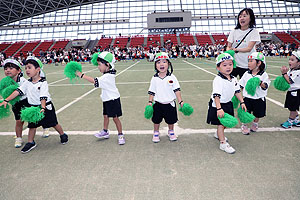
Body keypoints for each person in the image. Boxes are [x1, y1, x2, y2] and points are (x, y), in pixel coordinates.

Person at [0, 56, 68, 153]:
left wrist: (43, 107)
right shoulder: (27, 83)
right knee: (32, 126)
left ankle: (62, 134)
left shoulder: (43, 82)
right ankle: (30, 142)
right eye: (26, 67)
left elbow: (43, 96)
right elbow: (18, 91)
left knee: (53, 123)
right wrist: (6, 100)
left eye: (30, 67)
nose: (27, 70)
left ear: (37, 69)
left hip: (45, 107)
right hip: (33, 108)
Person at [76, 52, 125, 145]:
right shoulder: (108, 73)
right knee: (105, 116)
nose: (98, 67)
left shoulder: (108, 76)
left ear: (107, 65)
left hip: (113, 100)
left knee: (115, 118)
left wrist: (81, 75)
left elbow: (95, 81)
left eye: (99, 64)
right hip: (107, 99)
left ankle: (120, 134)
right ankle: (105, 131)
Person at [207, 53, 246, 154]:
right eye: (224, 65)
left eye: (230, 64)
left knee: (225, 124)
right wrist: (219, 109)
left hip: (228, 103)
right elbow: (216, 96)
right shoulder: (218, 80)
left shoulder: (233, 78)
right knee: (221, 124)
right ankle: (223, 143)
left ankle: (218, 134)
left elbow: (237, 91)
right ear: (218, 67)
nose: (228, 67)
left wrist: (242, 102)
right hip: (218, 104)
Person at [147, 52, 183, 143]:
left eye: (164, 62)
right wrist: (150, 102)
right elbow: (152, 91)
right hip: (158, 104)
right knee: (156, 120)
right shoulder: (154, 78)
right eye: (158, 62)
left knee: (171, 120)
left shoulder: (172, 77)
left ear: (169, 64)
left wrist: (180, 101)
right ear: (155, 65)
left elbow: (177, 90)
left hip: (170, 104)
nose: (161, 64)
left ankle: (171, 131)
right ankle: (156, 132)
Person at [239, 52, 270, 134]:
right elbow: (241, 84)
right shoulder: (246, 73)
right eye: (248, 61)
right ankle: (244, 125)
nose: (248, 63)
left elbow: (265, 86)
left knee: (257, 113)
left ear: (259, 63)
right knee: (245, 112)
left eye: (251, 61)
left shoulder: (264, 75)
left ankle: (255, 123)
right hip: (247, 98)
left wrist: (259, 82)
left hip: (259, 98)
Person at [2, 59, 29, 148]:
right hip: (16, 104)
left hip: (26, 101)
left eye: (11, 68)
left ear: (19, 70)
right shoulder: (5, 81)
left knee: (32, 120)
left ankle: (45, 127)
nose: (8, 70)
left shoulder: (23, 81)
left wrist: (6, 100)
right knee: (18, 121)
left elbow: (18, 92)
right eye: (6, 69)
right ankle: (18, 138)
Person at [227, 8, 261, 78]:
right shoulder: (234, 31)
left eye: (244, 16)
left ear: (251, 18)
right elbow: (228, 46)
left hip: (248, 64)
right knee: (230, 85)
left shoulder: (254, 31)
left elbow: (249, 48)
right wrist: (228, 52)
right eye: (240, 16)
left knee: (246, 87)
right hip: (234, 64)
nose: (242, 18)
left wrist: (236, 49)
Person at [280, 51, 300, 128]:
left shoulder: (298, 72)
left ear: (299, 63)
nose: (289, 61)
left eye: (292, 60)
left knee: (292, 108)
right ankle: (296, 120)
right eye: (289, 59)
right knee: (291, 106)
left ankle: (290, 121)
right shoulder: (292, 70)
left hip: (295, 92)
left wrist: (284, 73)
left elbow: (289, 81)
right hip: (291, 91)